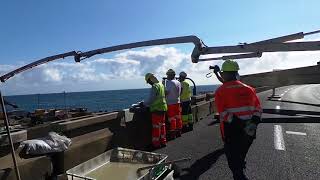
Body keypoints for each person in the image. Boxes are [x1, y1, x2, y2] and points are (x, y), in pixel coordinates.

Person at [214, 60, 262, 180]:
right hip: (250, 128)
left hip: (232, 130)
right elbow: (258, 109)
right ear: (236, 72)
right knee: (243, 150)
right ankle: (240, 167)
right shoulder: (249, 89)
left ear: (225, 74)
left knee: (232, 158)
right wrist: (253, 122)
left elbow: (223, 113)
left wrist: (238, 123)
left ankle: (239, 175)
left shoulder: (220, 91)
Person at [143, 73, 168, 149]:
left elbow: (151, 99)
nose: (149, 83)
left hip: (156, 110)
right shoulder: (161, 85)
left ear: (151, 79)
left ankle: (156, 144)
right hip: (163, 108)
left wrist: (143, 103)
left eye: (149, 81)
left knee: (156, 127)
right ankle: (163, 141)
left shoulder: (155, 86)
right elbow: (165, 94)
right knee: (162, 126)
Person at [165, 69, 182, 139]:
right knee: (178, 117)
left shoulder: (169, 82)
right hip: (177, 102)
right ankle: (179, 132)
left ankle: (173, 134)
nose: (167, 77)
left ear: (170, 75)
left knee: (172, 119)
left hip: (170, 103)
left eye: (167, 75)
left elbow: (166, 92)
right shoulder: (178, 82)